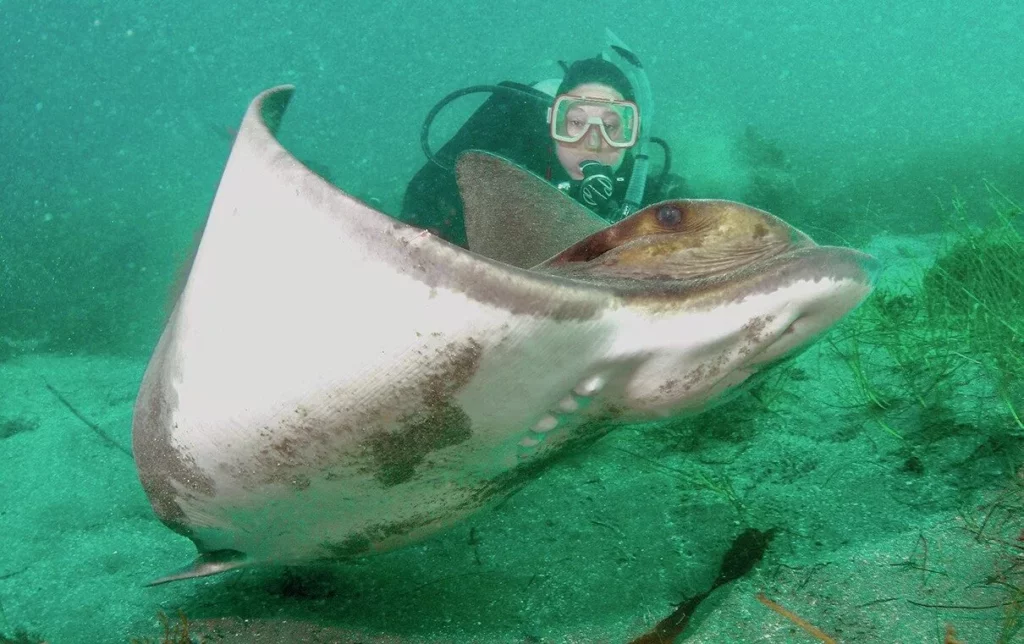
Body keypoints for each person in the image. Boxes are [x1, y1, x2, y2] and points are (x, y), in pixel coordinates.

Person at [399, 53, 686, 248]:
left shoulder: (646, 197)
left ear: (632, 136)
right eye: (576, 122)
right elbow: (424, 205)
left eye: (611, 127)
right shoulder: (510, 165)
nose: (594, 142)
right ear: (553, 123)